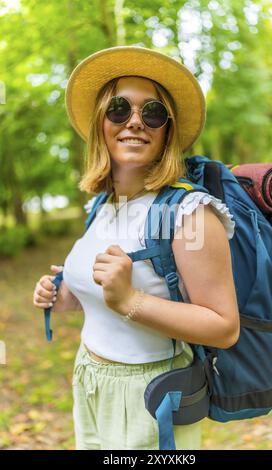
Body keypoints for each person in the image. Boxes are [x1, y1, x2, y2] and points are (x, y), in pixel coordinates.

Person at [33, 46, 239, 450]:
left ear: (166, 130)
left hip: (151, 397)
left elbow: (224, 327)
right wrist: (63, 295)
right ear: (100, 124)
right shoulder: (101, 205)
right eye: (118, 109)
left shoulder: (190, 213)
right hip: (90, 381)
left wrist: (130, 299)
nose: (134, 122)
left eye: (153, 113)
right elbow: (101, 295)